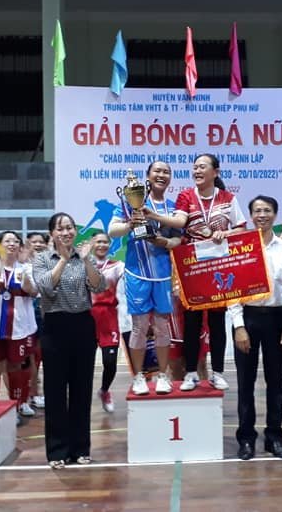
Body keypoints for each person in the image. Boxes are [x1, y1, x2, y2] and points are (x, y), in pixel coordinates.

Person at [153, 154, 247, 392]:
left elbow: (241, 229)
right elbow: (179, 221)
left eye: (202, 167)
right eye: (194, 167)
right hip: (192, 266)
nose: (196, 170)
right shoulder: (186, 196)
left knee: (216, 322)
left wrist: (223, 235)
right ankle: (191, 374)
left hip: (217, 266)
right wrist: (153, 215)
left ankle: (217, 373)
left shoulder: (227, 198)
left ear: (215, 172)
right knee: (192, 323)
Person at [33, 212, 106, 468]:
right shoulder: (42, 258)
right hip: (54, 326)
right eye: (61, 229)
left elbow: (99, 286)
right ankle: (57, 452)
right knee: (54, 392)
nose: (66, 232)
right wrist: (63, 261)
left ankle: (80, 449)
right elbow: (44, 287)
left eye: (70, 228)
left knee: (81, 390)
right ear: (52, 233)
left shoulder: (83, 256)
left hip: (83, 325)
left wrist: (85, 261)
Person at [226, 195, 282, 460]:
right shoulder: (240, 247)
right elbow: (230, 289)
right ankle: (246, 438)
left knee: (276, 382)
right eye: (257, 211)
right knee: (246, 382)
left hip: (278, 318)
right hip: (248, 318)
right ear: (251, 216)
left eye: (267, 210)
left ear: (275, 215)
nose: (262, 215)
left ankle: (274, 437)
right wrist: (239, 326)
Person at [108, 161, 181, 395]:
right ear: (148, 176)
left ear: (170, 178)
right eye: (157, 171)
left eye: (166, 172)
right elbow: (112, 230)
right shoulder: (131, 202)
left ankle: (162, 375)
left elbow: (178, 238)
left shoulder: (172, 208)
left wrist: (167, 242)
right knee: (139, 327)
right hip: (137, 273)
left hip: (162, 276)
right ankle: (138, 377)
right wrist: (131, 224)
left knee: (161, 327)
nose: (162, 175)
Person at [0, 231, 39, 418]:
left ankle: (17, 406)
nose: (12, 244)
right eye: (7, 240)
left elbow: (32, 292)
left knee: (16, 367)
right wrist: (0, 261)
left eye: (16, 241)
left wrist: (24, 273)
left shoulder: (26, 268)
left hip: (18, 328)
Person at [88, 233, 125, 413]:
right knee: (84, 361)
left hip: (109, 318)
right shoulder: (82, 265)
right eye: (98, 242)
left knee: (110, 362)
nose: (101, 245)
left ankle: (104, 390)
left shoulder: (117, 266)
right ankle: (82, 394)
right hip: (86, 317)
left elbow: (131, 276)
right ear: (91, 244)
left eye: (105, 242)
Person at [25, 232, 49, 409]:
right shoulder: (22, 264)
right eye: (34, 242)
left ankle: (39, 392)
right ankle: (31, 393)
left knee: (42, 354)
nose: (38, 245)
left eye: (41, 242)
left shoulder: (50, 262)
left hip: (48, 309)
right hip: (27, 310)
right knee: (30, 356)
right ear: (28, 244)